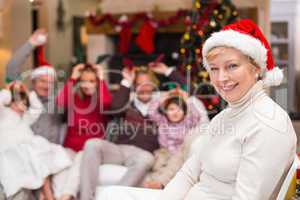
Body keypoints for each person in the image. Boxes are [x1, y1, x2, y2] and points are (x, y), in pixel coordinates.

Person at [96, 19, 297, 200]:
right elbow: (189, 172)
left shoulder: (269, 124)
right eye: (214, 68)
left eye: (232, 66)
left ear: (256, 69)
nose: (221, 78)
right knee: (109, 193)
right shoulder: (224, 117)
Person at [79, 63, 189, 200]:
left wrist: (167, 71)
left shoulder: (162, 108)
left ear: (154, 85)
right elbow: (114, 108)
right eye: (139, 84)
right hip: (118, 149)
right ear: (135, 86)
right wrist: (126, 81)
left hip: (142, 154)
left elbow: (187, 88)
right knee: (92, 144)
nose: (143, 87)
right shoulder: (126, 104)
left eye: (147, 83)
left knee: (145, 158)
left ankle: (114, 197)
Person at [2, 29, 66, 200]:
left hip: (47, 156)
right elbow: (11, 69)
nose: (46, 85)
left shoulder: (58, 101)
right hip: (23, 156)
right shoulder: (24, 99)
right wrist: (31, 44)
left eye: (51, 82)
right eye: (43, 81)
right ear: (34, 81)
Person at [0, 82, 71, 200]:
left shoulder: (24, 118)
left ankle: (47, 195)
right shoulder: (3, 115)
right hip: (11, 151)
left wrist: (28, 93)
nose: (22, 106)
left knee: (42, 162)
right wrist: (7, 90)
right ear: (10, 102)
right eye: (19, 102)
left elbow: (37, 108)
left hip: (28, 151)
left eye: (24, 103)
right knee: (37, 161)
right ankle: (46, 195)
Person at [53, 63, 112, 200]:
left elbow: (107, 102)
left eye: (92, 81)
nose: (87, 85)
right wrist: (73, 77)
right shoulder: (74, 98)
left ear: (97, 82)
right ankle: (59, 197)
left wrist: (101, 77)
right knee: (61, 168)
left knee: (81, 158)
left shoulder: (101, 99)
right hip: (70, 148)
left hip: (89, 152)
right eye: (84, 81)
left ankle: (66, 197)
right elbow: (60, 103)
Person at [143, 88, 209, 189]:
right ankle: (155, 183)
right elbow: (151, 112)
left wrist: (187, 99)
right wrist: (164, 97)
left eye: (179, 109)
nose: (175, 112)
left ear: (184, 112)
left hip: (179, 153)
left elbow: (196, 115)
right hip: (164, 152)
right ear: (166, 111)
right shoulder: (163, 121)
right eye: (171, 109)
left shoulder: (187, 121)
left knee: (174, 166)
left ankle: (161, 183)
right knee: (158, 166)